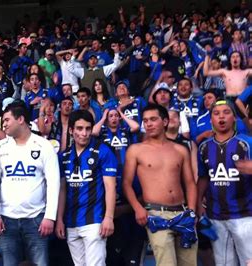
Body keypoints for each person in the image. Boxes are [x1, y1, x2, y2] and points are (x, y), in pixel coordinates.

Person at [0, 101, 60, 266]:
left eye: (6, 120)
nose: (3, 124)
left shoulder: (44, 146)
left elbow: (53, 183)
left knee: (40, 263)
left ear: (20, 119)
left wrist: (49, 217)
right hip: (6, 220)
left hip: (37, 219)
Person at [123, 104, 198, 266]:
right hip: (156, 215)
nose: (148, 124)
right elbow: (126, 184)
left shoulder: (180, 150)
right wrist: (138, 208)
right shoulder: (135, 150)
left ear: (165, 121)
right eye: (145, 121)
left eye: (153, 119)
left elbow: (190, 183)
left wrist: (191, 212)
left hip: (183, 213)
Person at [55, 109, 117, 266]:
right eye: (79, 128)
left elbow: (110, 186)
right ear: (71, 130)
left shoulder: (103, 151)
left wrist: (108, 217)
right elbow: (62, 190)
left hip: (94, 221)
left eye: (88, 128)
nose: (84, 133)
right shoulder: (63, 156)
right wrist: (60, 219)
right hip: (70, 222)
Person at [197, 100, 252, 265]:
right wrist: (198, 203)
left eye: (226, 112)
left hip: (245, 216)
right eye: (216, 113)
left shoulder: (247, 143)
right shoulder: (204, 147)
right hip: (216, 217)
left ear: (234, 118)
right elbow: (203, 177)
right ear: (211, 120)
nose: (221, 116)